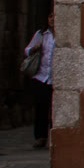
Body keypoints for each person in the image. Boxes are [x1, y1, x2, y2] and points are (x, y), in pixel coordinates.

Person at [22, 12, 55, 149]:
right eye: (50, 16)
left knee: (54, 109)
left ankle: (53, 137)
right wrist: (34, 48)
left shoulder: (62, 34)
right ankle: (40, 136)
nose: (52, 19)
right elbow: (27, 50)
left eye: (55, 16)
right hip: (41, 76)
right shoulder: (41, 34)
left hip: (54, 78)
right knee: (41, 107)